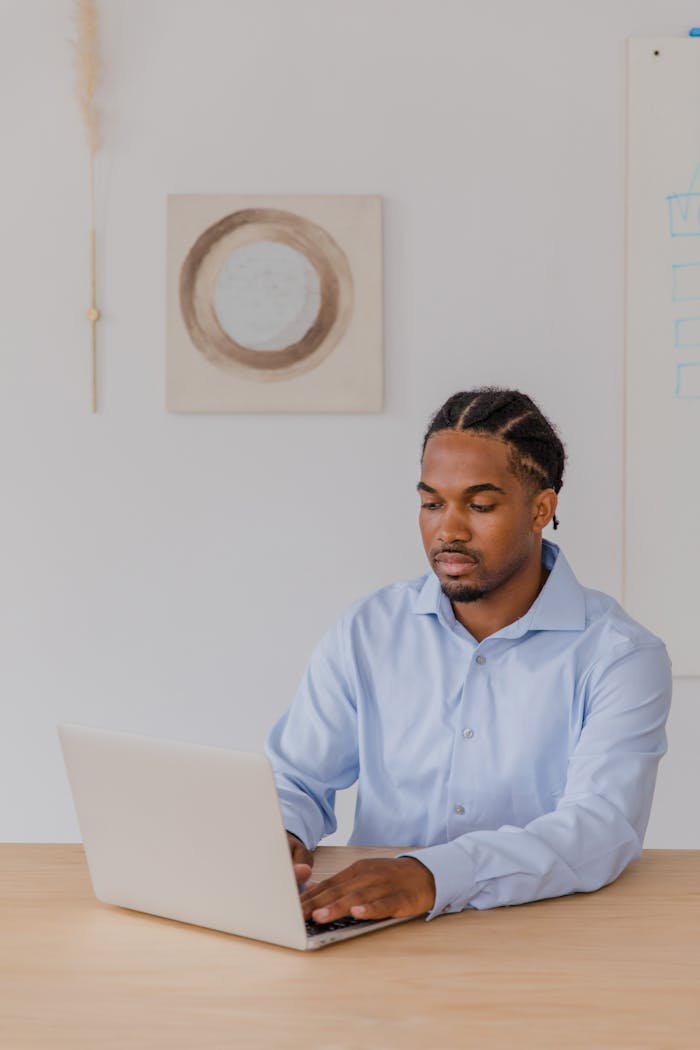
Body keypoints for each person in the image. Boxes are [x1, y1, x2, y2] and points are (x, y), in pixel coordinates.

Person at [266, 388, 672, 926]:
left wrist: (431, 875)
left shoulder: (620, 656)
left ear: (541, 509)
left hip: (539, 932)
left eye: (480, 506)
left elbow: (600, 828)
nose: (449, 530)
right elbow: (295, 777)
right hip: (371, 927)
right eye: (432, 503)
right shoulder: (369, 629)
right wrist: (283, 832)